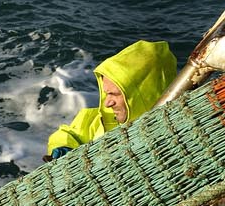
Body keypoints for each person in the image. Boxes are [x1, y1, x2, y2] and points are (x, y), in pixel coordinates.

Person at [44, 39, 175, 160]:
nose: (107, 103)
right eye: (106, 93)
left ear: (142, 94)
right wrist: (62, 145)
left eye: (114, 94)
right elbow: (70, 134)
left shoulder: (172, 133)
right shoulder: (97, 119)